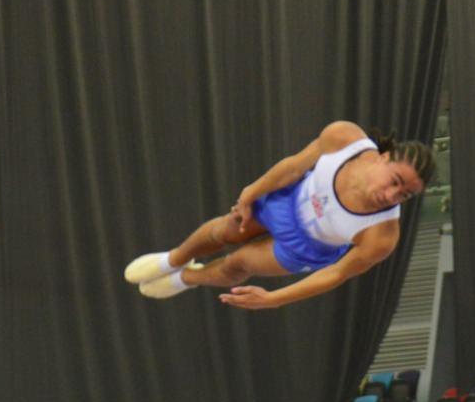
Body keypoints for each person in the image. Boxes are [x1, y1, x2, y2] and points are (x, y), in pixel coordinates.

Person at [124, 121, 434, 309]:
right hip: (289, 201)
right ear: (383, 158)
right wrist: (251, 192)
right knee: (226, 231)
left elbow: (336, 274)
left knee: (238, 263)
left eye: (404, 195)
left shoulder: (381, 235)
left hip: (309, 245)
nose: (393, 196)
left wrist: (274, 299)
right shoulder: (344, 138)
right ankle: (173, 259)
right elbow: (294, 167)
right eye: (395, 182)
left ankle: (185, 278)